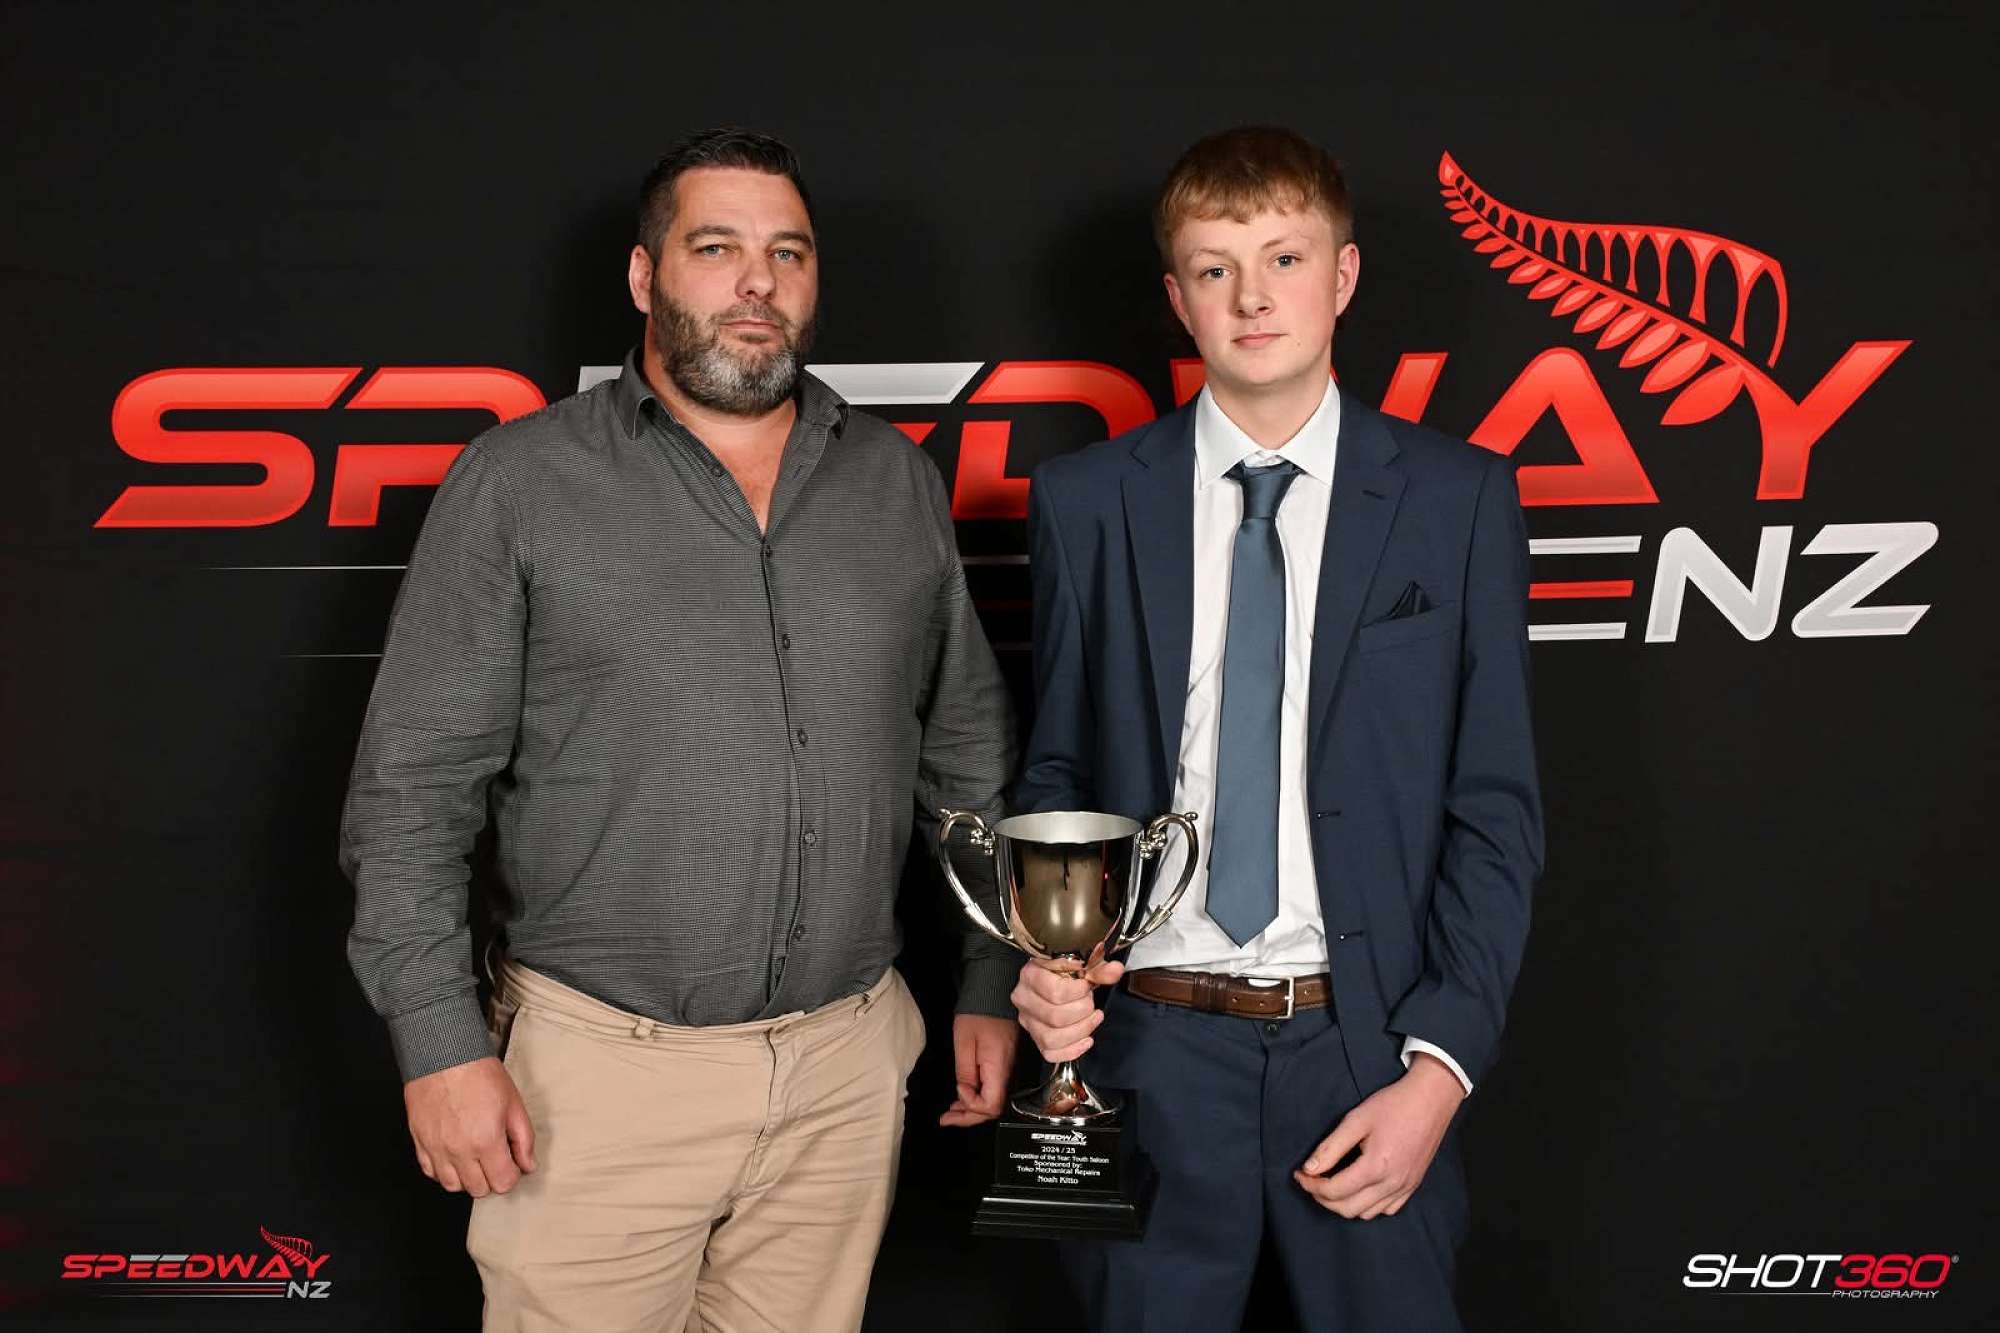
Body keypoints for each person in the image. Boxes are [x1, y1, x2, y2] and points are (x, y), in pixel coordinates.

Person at [340, 126, 1019, 1333]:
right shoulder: (519, 483)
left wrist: (989, 973)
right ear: (645, 275)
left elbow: (962, 753)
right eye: (716, 249)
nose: (757, 282)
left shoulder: (894, 482)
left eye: (787, 253)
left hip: (844, 1071)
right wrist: (439, 1044)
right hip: (596, 1082)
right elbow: (413, 791)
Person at [1009, 125, 1544, 1332]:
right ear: (1177, 298)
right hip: (1146, 1042)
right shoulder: (1086, 501)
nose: (1251, 298)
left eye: (1283, 259)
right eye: (1214, 268)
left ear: (1341, 276)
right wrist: (1049, 964)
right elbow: (1058, 770)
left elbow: (1493, 807)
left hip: (1363, 1044)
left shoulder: (1455, 499)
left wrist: (1436, 1071)